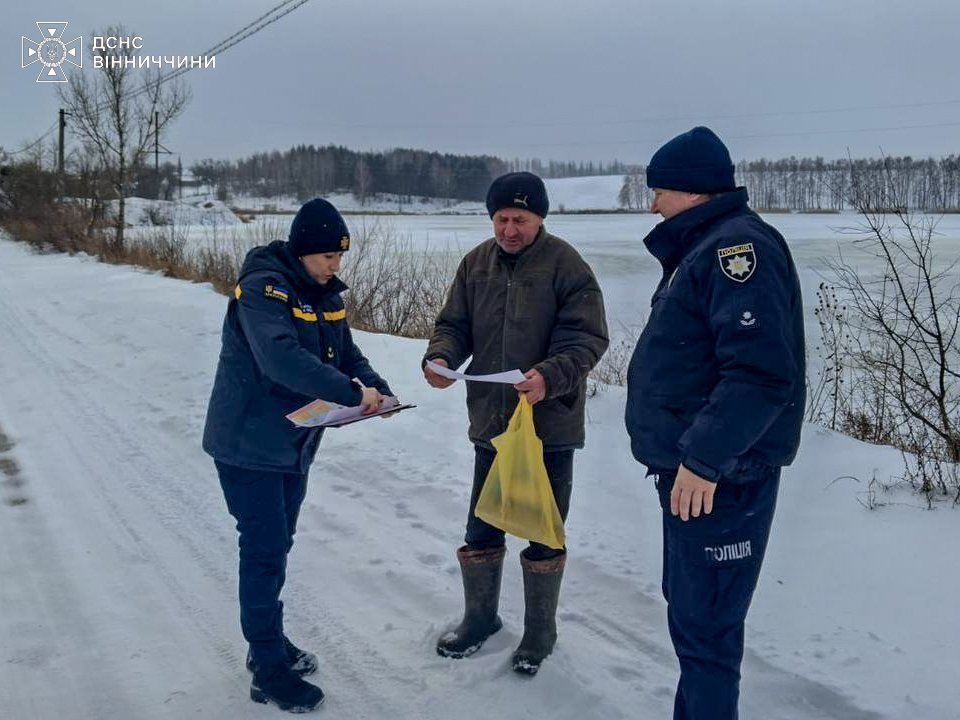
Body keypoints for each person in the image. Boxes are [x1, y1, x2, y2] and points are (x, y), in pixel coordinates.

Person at [624, 127, 806, 719]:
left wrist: (703, 459)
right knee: (694, 618)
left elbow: (760, 375)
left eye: (658, 191)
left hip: (722, 478)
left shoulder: (737, 251)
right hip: (697, 475)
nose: (652, 205)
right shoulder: (705, 245)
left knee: (708, 631)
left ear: (692, 190)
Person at [202, 198, 393, 713]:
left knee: (277, 544)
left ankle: (268, 640)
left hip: (293, 442)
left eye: (340, 256)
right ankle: (267, 669)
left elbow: (346, 353)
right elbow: (280, 358)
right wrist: (351, 394)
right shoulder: (262, 288)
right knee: (263, 550)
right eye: (328, 256)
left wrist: (377, 389)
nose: (336, 265)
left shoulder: (323, 293)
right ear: (304, 250)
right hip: (248, 443)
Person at [422, 171, 609, 675]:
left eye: (520, 220)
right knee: (481, 526)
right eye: (501, 219)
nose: (509, 229)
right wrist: (441, 358)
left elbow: (587, 339)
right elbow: (453, 325)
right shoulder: (475, 264)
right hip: (493, 423)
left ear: (540, 218)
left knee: (545, 531)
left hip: (550, 427)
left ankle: (540, 632)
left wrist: (550, 376)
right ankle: (480, 619)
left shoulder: (567, 265)